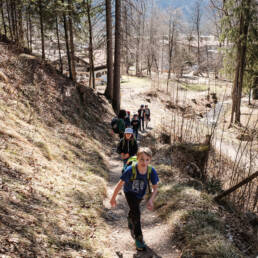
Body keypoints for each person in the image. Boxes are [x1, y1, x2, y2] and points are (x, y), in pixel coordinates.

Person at [110, 147, 159, 251]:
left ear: (150, 160)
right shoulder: (130, 170)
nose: (144, 162)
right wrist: (113, 198)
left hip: (140, 194)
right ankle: (139, 238)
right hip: (129, 192)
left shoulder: (151, 171)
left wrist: (151, 200)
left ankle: (130, 217)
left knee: (134, 210)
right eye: (141, 159)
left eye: (147, 159)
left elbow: (155, 188)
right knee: (136, 212)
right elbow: (119, 184)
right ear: (137, 158)